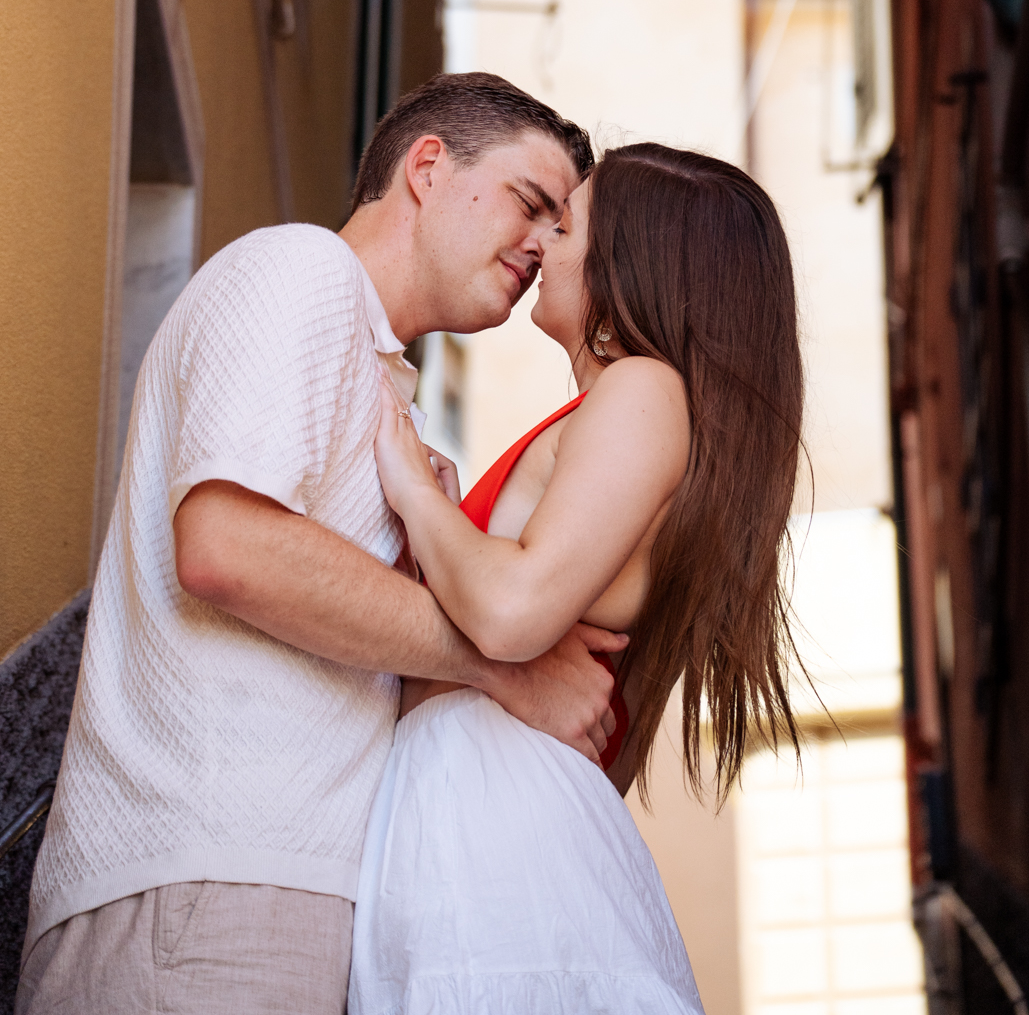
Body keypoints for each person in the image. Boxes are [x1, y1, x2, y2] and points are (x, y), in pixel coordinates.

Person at [17, 73, 628, 1015]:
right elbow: (226, 546)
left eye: (559, 226)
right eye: (529, 202)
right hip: (204, 884)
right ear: (428, 167)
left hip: (271, 890)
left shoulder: (383, 387)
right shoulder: (300, 269)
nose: (543, 245)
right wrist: (506, 666)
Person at [349, 142, 804, 1015]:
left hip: (487, 818)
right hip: (489, 810)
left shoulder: (643, 391)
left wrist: (415, 492)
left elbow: (510, 609)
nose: (539, 242)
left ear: (628, 266)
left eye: (565, 225)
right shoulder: (629, 414)